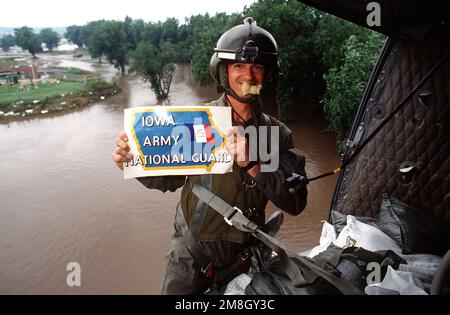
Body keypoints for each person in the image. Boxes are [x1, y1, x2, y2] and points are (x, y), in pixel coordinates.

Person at [112, 17, 308, 294]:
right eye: (238, 66)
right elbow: (167, 180)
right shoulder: (196, 122)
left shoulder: (277, 134)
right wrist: (132, 159)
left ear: (269, 74)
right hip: (192, 261)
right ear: (223, 72)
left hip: (247, 260)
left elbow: (296, 201)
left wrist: (254, 164)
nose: (248, 76)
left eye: (257, 67)